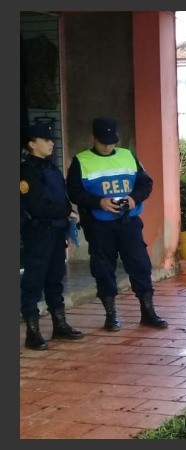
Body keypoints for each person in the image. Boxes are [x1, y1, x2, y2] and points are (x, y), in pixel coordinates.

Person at [66, 117, 168, 331]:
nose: (108, 146)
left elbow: (145, 183)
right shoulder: (81, 161)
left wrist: (134, 199)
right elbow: (74, 192)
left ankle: (148, 312)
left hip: (128, 221)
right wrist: (98, 202)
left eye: (112, 141)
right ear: (92, 138)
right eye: (103, 142)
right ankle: (111, 315)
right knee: (103, 269)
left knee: (140, 265)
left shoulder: (127, 155)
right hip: (99, 225)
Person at [20, 122, 85, 350]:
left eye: (51, 139)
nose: (51, 143)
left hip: (56, 231)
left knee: (55, 279)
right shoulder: (27, 171)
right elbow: (37, 206)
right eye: (45, 140)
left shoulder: (51, 168)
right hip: (39, 232)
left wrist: (67, 220)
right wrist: (67, 212)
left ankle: (60, 324)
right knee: (33, 282)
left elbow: (61, 198)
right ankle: (33, 332)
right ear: (31, 144)